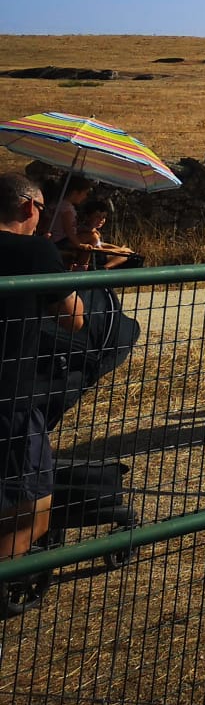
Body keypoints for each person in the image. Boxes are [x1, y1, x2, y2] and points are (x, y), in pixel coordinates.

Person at [0, 174, 85, 560]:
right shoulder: (35, 254)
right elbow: (74, 319)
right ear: (29, 206)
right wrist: (59, 268)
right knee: (31, 514)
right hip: (10, 399)